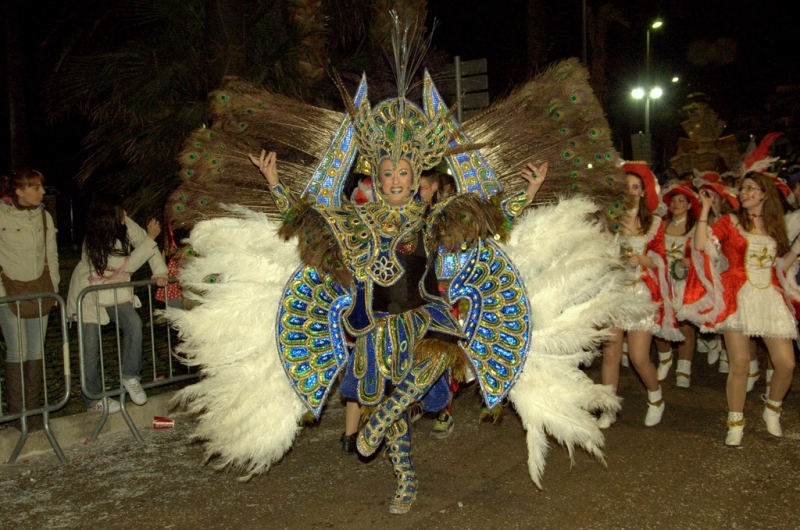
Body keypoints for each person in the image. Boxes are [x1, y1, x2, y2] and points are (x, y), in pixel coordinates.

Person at [693, 171, 798, 446]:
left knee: (786, 363)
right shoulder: (730, 222)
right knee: (739, 363)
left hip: (770, 297)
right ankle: (735, 422)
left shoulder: (776, 226)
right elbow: (701, 244)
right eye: (743, 188)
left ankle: (772, 410)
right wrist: (705, 209)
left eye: (751, 188)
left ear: (764, 194)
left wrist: (796, 249)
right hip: (737, 297)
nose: (744, 193)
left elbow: (780, 266)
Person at [599, 162, 683, 428]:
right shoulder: (609, 220)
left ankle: (656, 398)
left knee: (638, 357)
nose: (632, 191)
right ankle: (608, 408)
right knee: (610, 354)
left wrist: (641, 259)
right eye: (627, 187)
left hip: (641, 294)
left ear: (644, 192)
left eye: (636, 187)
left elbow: (660, 261)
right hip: (615, 292)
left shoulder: (654, 223)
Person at [67, 195, 167, 413]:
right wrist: (150, 238)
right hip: (88, 293)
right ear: (108, 216)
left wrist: (160, 271)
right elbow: (125, 265)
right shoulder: (93, 239)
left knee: (134, 323)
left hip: (113, 290)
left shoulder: (125, 224)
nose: (126, 214)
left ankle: (130, 376)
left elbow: (146, 245)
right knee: (90, 347)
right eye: (121, 211)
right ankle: (93, 398)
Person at [0, 170, 59, 431]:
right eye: (35, 188)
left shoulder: (44, 216)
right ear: (19, 191)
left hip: (39, 291)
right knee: (18, 350)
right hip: (9, 292)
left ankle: (33, 410)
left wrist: (53, 289)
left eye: (41, 187)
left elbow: (52, 255)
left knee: (36, 350)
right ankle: (17, 413)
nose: (42, 192)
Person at [654, 182, 701, 387]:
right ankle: (665, 358)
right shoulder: (660, 226)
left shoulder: (696, 229)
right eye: (673, 200)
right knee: (657, 322)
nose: (676, 204)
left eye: (681, 200)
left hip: (684, 283)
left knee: (685, 326)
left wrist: (689, 263)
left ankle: (684, 367)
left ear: (689, 205)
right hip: (661, 280)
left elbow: (705, 255)